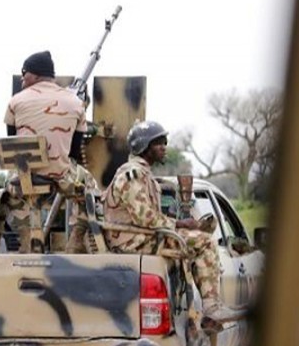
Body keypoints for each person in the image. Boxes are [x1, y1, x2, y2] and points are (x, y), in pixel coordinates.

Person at [102, 120, 243, 329]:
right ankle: (212, 309)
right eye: (159, 143)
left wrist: (183, 225)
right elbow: (145, 218)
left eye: (164, 142)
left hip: (140, 237)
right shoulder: (132, 174)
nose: (164, 148)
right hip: (133, 241)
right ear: (144, 146)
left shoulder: (143, 174)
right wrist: (179, 223)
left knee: (197, 238)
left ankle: (210, 313)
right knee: (204, 242)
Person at [3, 50, 91, 252]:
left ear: (34, 74)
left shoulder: (15, 101)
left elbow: (12, 144)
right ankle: (76, 239)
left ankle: (27, 238)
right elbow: (74, 153)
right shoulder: (76, 103)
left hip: (23, 176)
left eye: (24, 74)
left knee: (8, 189)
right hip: (61, 176)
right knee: (91, 191)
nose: (23, 79)